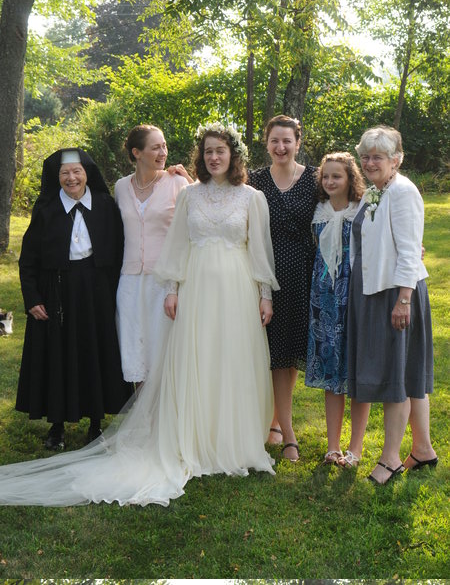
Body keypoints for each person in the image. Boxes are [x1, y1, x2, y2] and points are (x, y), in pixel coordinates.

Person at [0, 122, 278, 506]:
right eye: (208, 151)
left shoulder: (227, 193)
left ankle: (222, 435)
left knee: (215, 359)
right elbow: (167, 241)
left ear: (234, 154)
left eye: (221, 150)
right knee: (157, 357)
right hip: (159, 282)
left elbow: (253, 248)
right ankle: (157, 427)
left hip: (221, 287)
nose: (214, 157)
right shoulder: (136, 190)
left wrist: (264, 295)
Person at [16, 148, 132, 451]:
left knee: (93, 351)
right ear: (57, 177)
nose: (71, 178)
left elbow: (120, 250)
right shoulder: (46, 209)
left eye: (77, 171)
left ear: (87, 174)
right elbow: (28, 259)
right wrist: (32, 297)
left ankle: (95, 424)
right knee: (58, 354)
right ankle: (56, 425)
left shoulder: (105, 205)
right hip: (56, 290)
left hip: (96, 291)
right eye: (65, 173)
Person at [347, 125, 437, 484]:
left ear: (396, 160)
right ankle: (423, 449)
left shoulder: (402, 192)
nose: (370, 163)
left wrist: (403, 300)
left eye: (378, 157)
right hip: (376, 290)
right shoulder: (375, 191)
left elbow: (410, 252)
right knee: (408, 371)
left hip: (396, 293)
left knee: (395, 376)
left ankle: (390, 458)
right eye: (365, 156)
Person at [248, 115, 317, 461]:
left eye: (287, 140)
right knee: (271, 351)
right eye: (274, 140)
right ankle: (287, 433)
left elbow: (347, 205)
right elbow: (219, 195)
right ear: (267, 143)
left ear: (297, 143)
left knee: (288, 352)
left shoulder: (315, 178)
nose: (280, 147)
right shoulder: (254, 180)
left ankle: (277, 421)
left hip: (302, 273)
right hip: (263, 272)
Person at [304, 153, 370, 466]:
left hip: (356, 292)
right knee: (331, 370)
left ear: (350, 179)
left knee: (357, 370)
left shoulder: (363, 209)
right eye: (326, 176)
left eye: (337, 176)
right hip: (325, 295)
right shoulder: (318, 210)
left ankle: (355, 448)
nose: (330, 181)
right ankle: (333, 447)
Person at [115, 124, 191, 386]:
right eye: (156, 147)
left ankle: (165, 410)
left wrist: (191, 181)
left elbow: (197, 224)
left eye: (164, 146)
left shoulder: (178, 183)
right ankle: (141, 409)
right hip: (130, 282)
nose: (163, 152)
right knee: (135, 351)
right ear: (137, 153)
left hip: (164, 282)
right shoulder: (120, 187)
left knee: (164, 353)